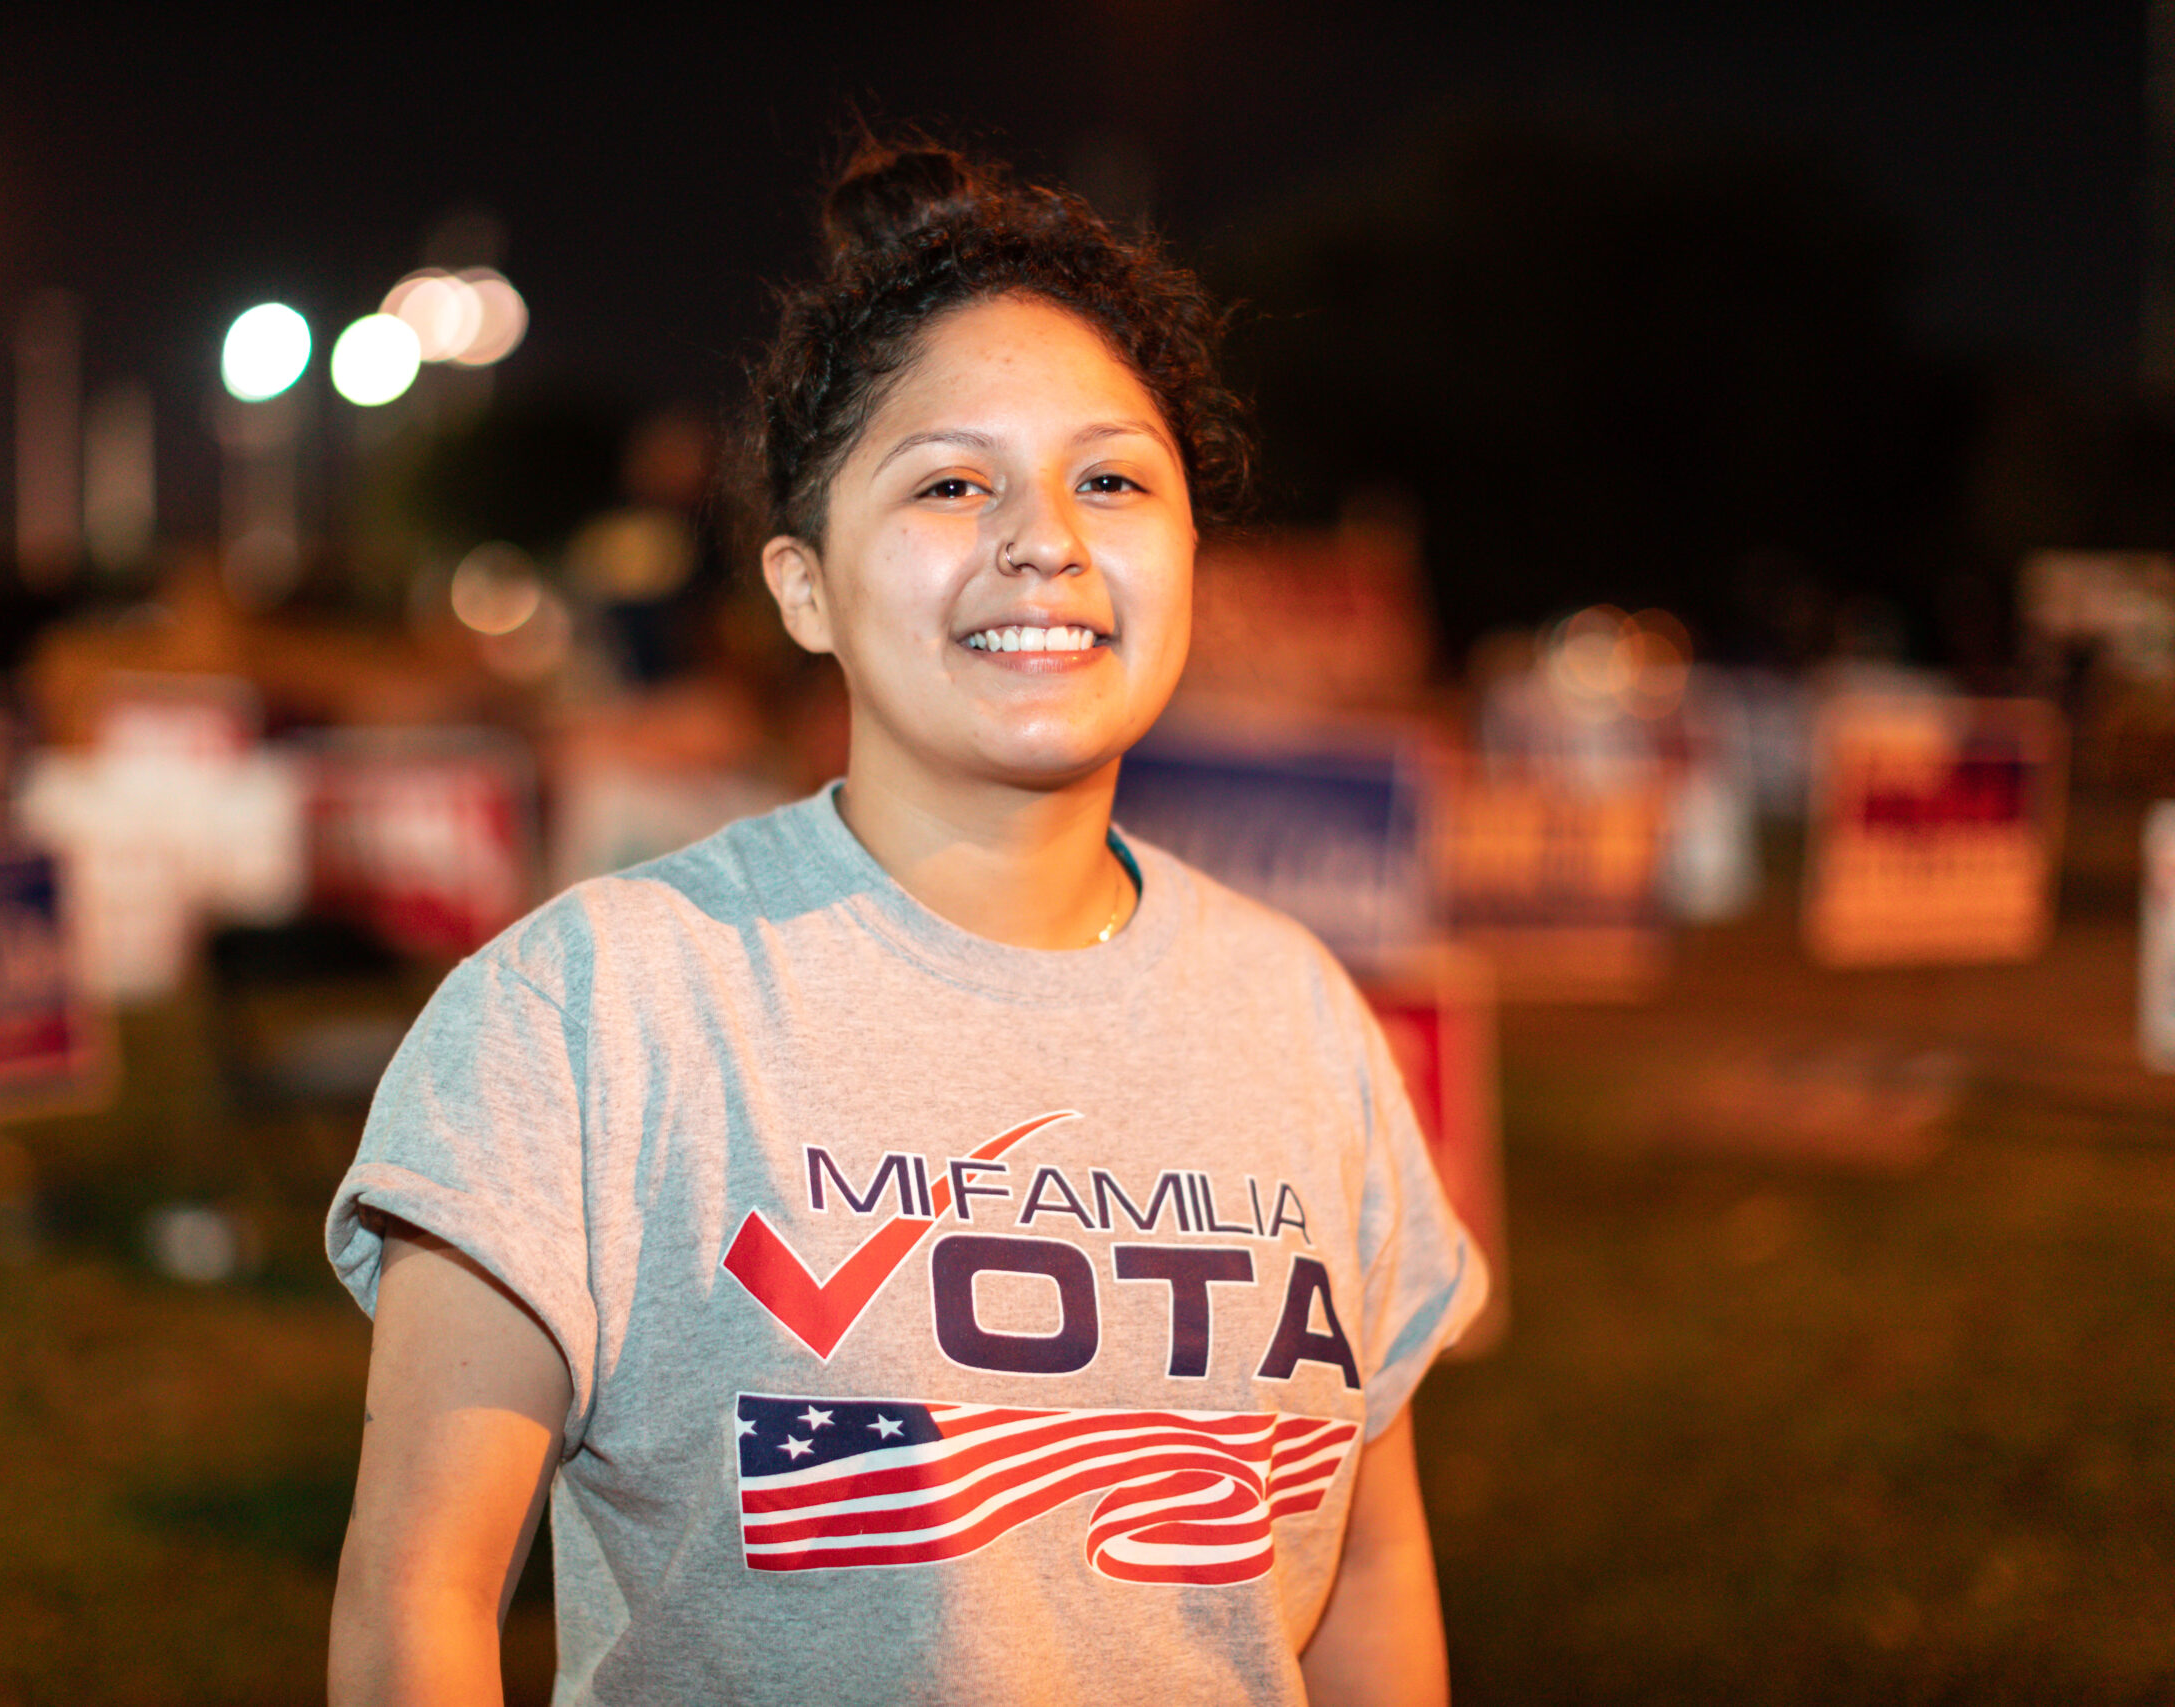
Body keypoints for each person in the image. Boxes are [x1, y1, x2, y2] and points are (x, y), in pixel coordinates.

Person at [327, 139, 1488, 1706]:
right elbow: (420, 1612)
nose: (1044, 539)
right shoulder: (588, 1014)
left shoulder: (1298, 1017)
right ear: (803, 588)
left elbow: (1369, 1575)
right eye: (951, 481)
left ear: (1189, 556)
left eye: (1112, 479)